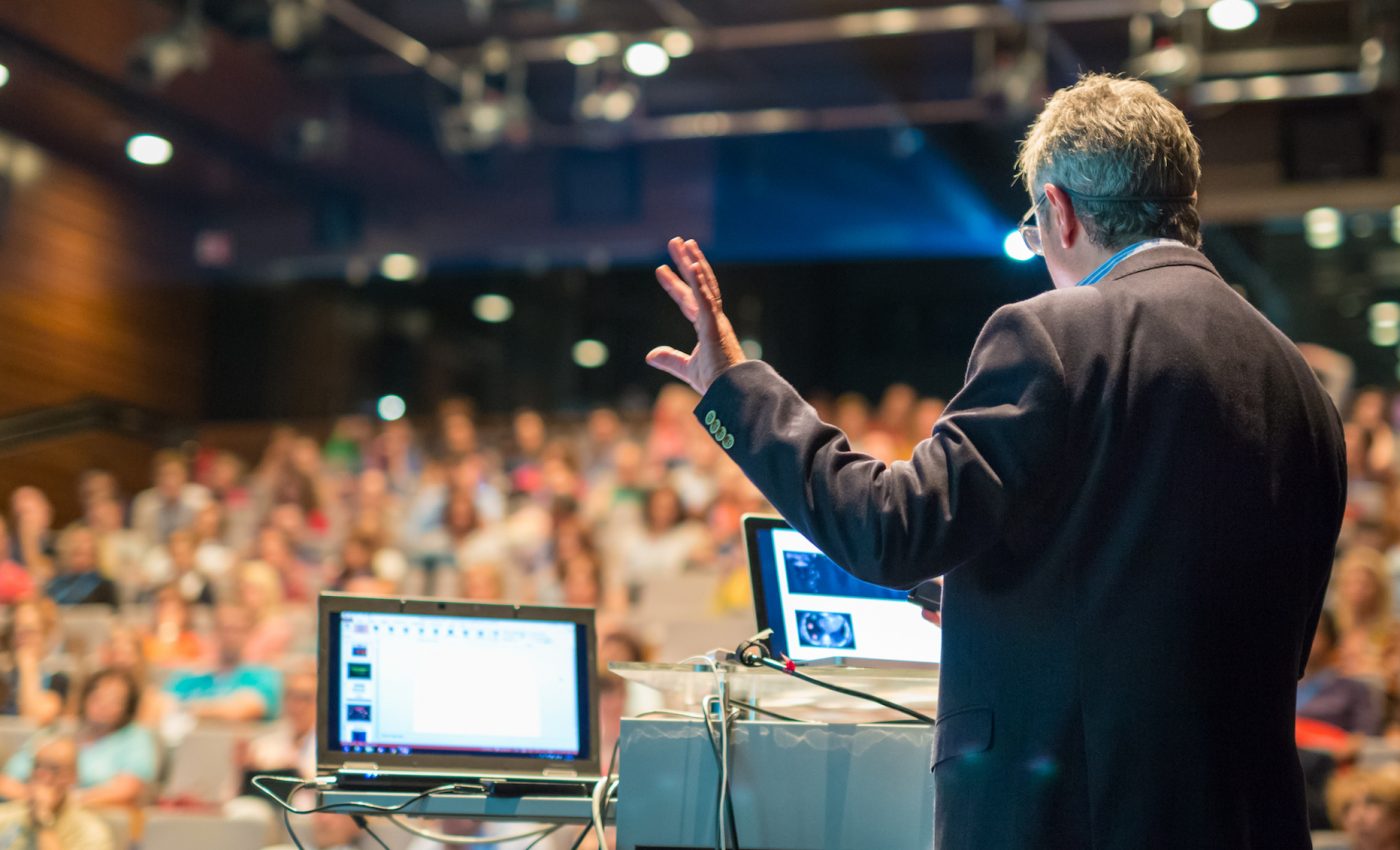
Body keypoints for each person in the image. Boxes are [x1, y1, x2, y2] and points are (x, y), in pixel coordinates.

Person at [646, 73, 1347, 849]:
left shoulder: (1055, 333)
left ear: (1059, 211)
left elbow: (889, 530)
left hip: (1072, 817)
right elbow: (1216, 618)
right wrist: (1002, 597)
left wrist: (733, 387)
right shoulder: (1300, 384)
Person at [0, 668, 157, 808]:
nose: (104, 705)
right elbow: (7, 780)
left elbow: (126, 791)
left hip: (97, 821)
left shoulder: (136, 738)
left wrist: (64, 803)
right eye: (98, 697)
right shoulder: (57, 733)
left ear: (127, 707)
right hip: (33, 812)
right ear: (85, 698)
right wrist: (36, 799)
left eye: (115, 700)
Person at [0, 736, 114, 850]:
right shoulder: (7, 816)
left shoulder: (90, 832)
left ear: (73, 777)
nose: (42, 775)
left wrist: (43, 821)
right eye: (37, 766)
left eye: (54, 769)